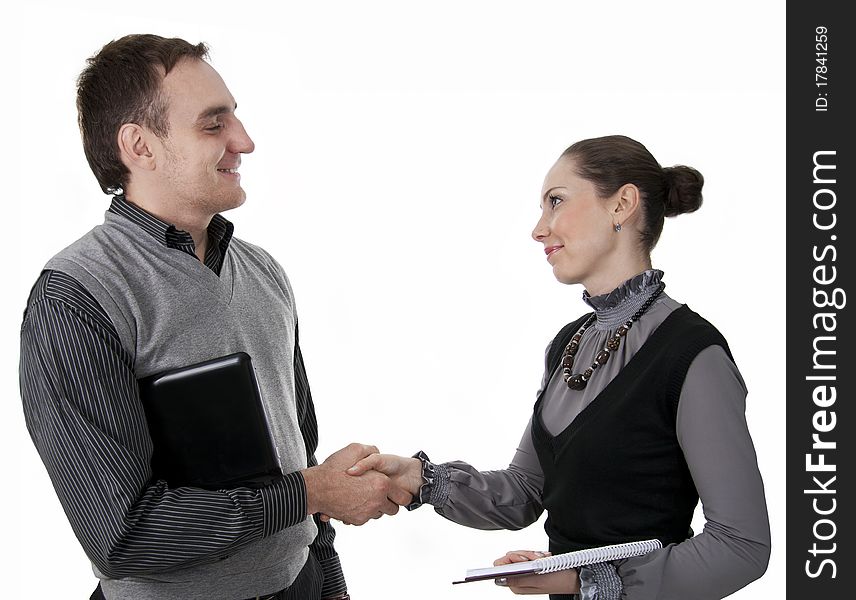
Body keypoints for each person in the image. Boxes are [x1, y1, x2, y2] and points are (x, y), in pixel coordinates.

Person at [19, 34, 409, 600]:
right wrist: (309, 493)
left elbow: (300, 458)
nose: (244, 141)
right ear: (140, 146)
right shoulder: (77, 297)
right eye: (213, 124)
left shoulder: (264, 272)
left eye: (236, 119)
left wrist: (329, 578)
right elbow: (122, 536)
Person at [347, 135, 771, 599]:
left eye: (556, 202)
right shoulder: (569, 344)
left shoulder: (692, 353)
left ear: (622, 205)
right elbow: (527, 491)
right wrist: (420, 479)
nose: (538, 229)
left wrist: (581, 579)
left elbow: (742, 547)